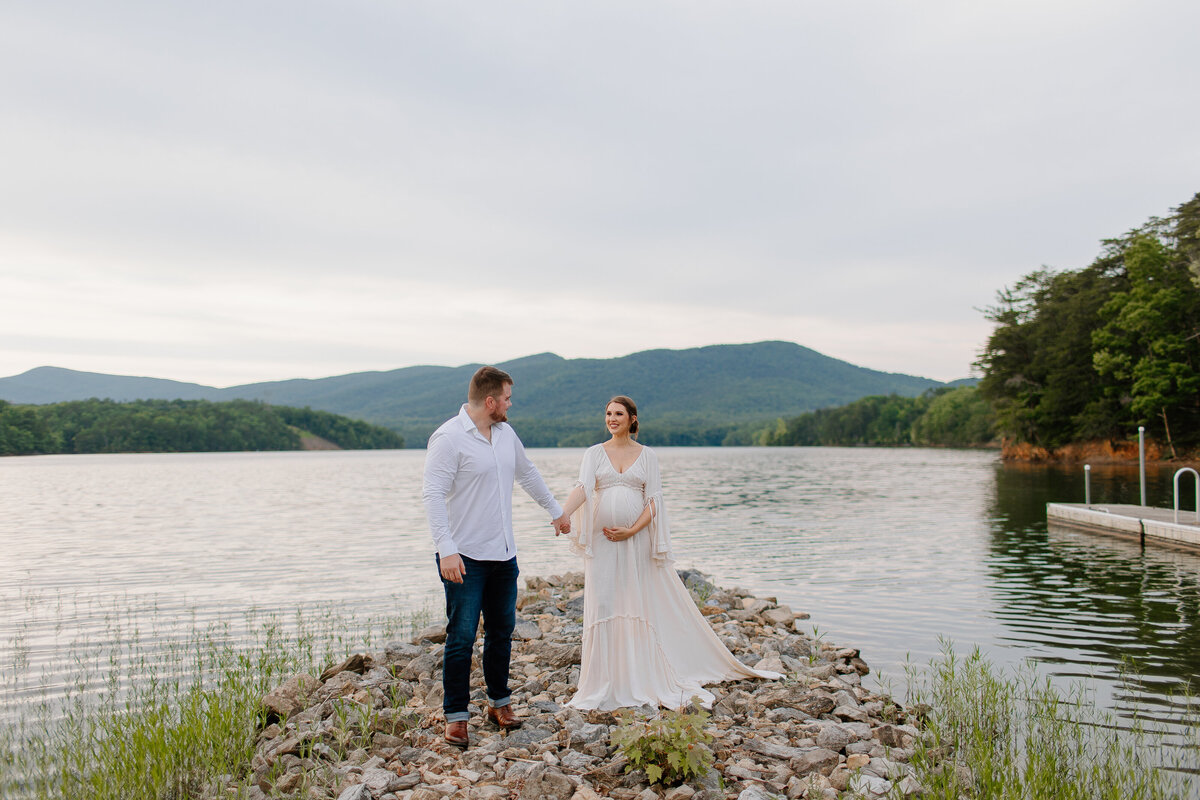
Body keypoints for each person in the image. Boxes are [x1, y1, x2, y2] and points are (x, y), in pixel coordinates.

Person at [559, 395, 779, 710]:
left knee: (635, 601)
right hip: (603, 540)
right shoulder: (594, 454)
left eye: (618, 413)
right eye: (608, 413)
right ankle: (605, 680)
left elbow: (654, 501)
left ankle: (640, 675)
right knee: (605, 601)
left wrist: (633, 530)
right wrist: (563, 514)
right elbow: (582, 488)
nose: (612, 418)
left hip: (636, 541)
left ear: (632, 418)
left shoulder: (647, 455)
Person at [422, 366, 571, 747]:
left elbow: (528, 473)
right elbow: (433, 496)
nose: (510, 404)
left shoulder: (505, 434)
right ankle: (456, 716)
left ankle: (498, 703)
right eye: (506, 398)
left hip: (504, 554)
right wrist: (446, 550)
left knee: (502, 632)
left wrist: (556, 511)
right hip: (464, 557)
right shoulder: (448, 438)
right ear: (490, 401)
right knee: (461, 637)